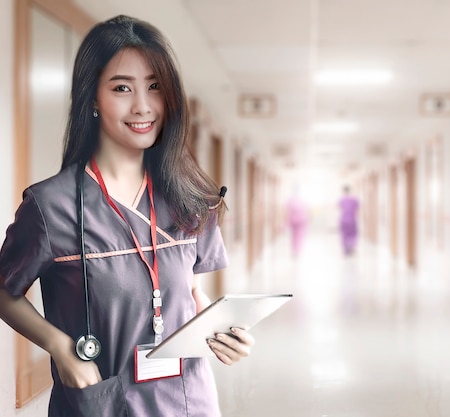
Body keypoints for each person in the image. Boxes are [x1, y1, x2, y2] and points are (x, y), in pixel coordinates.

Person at [0, 15, 254, 417]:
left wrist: (219, 330)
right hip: (104, 402)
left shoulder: (190, 198)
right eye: (122, 88)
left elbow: (187, 291)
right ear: (92, 99)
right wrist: (59, 346)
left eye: (155, 87)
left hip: (188, 401)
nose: (143, 106)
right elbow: (4, 290)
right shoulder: (51, 207)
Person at [286, 186, 308, 257]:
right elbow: (307, 210)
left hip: (293, 219)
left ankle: (295, 250)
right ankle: (297, 250)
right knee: (299, 235)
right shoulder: (303, 199)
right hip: (301, 219)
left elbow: (286, 210)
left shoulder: (290, 199)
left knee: (294, 235)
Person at [339, 185, 359, 255]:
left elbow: (339, 208)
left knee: (344, 234)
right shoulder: (354, 199)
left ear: (343, 191)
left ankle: (346, 248)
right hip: (352, 219)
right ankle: (351, 247)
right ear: (350, 190)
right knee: (352, 234)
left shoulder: (341, 200)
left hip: (344, 219)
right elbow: (358, 210)